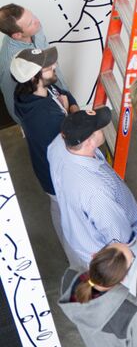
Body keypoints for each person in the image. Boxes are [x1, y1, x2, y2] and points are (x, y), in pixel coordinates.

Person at [48, 107, 137, 294]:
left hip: (80, 237)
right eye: (99, 128)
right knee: (122, 290)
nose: (103, 128)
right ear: (89, 141)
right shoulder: (94, 191)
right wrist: (130, 246)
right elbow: (118, 238)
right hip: (107, 252)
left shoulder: (58, 144)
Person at [10, 46, 79, 248]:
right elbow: (75, 140)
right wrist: (69, 111)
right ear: (33, 78)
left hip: (49, 170)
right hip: (59, 179)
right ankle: (78, 263)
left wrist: (69, 107)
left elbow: (64, 93)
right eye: (48, 66)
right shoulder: (44, 117)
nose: (54, 65)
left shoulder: (31, 93)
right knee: (68, 220)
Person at [0, 3, 68, 123]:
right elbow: (14, 104)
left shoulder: (36, 29)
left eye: (32, 16)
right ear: (17, 35)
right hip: (46, 116)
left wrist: (67, 98)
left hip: (61, 96)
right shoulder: (10, 63)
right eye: (31, 23)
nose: (37, 21)